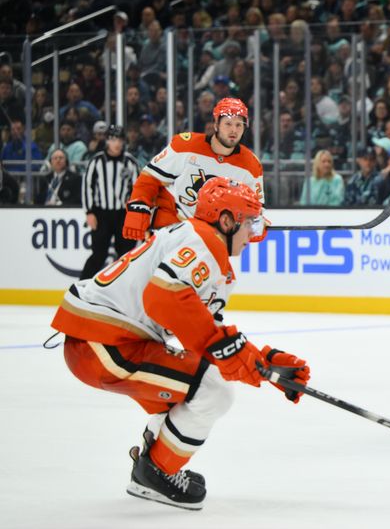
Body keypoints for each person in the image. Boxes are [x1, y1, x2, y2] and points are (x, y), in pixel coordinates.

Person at [50, 177, 310, 510]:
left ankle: (156, 461)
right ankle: (157, 472)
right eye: (251, 223)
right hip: (105, 343)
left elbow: (203, 330)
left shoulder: (194, 239)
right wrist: (231, 353)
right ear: (227, 220)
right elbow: (164, 298)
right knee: (213, 391)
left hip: (100, 340)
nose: (255, 235)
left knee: (199, 378)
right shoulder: (205, 242)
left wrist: (264, 363)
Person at [122, 97, 263, 240]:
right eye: (228, 124)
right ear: (216, 124)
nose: (234, 130)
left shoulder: (251, 165)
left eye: (239, 125)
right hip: (171, 225)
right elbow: (150, 178)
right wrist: (138, 206)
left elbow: (255, 209)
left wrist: (255, 225)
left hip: (211, 237)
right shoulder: (186, 146)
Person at [81, 125, 141, 279]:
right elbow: (87, 186)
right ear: (107, 141)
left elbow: (138, 189)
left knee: (127, 255)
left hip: (123, 215)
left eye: (120, 139)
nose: (117, 143)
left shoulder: (130, 162)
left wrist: (135, 216)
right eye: (113, 139)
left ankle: (124, 290)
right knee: (98, 255)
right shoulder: (96, 161)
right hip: (102, 214)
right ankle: (81, 288)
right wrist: (89, 212)